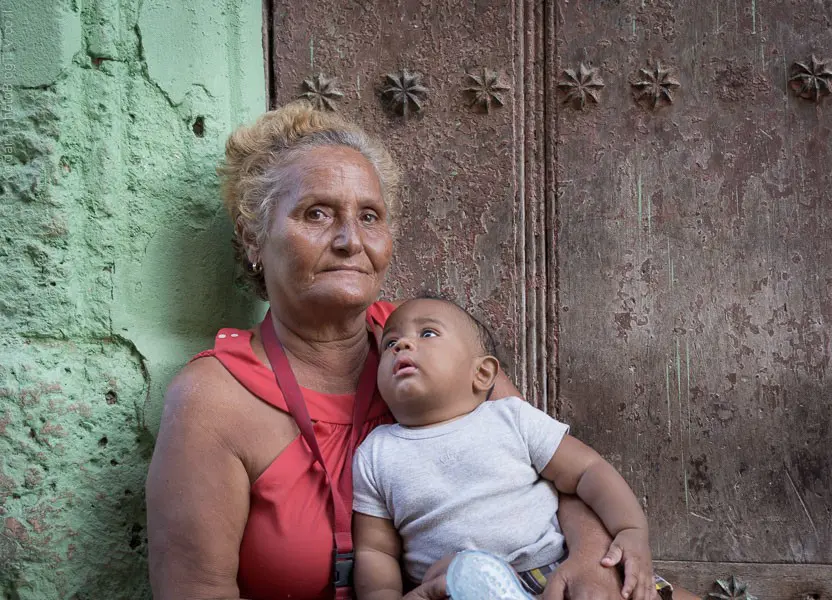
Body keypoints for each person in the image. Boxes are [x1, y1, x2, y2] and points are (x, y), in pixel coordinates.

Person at [145, 101, 696, 600]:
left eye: (369, 216)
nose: (349, 240)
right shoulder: (213, 400)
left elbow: (548, 471)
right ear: (252, 237)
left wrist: (592, 559)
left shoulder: (433, 346)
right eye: (316, 213)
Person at [352, 297, 672, 600]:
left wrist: (630, 528)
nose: (402, 346)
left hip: (552, 570)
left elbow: (588, 470)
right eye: (390, 343)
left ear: (482, 373)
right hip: (456, 587)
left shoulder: (510, 418)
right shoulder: (376, 453)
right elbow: (375, 550)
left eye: (428, 333)